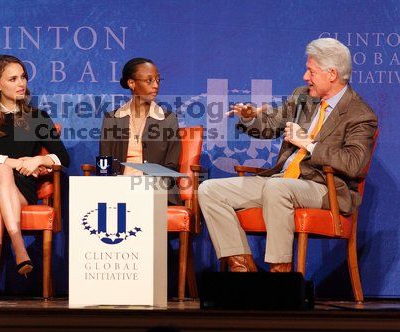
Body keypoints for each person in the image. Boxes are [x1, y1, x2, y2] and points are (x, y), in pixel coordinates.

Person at [198, 38, 378, 272]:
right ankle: (242, 268)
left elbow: (354, 164)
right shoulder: (304, 97)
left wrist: (309, 144)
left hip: (324, 188)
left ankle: (280, 273)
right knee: (209, 190)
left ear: (332, 74)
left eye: (311, 71)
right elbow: (270, 124)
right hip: (282, 182)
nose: (305, 77)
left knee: (277, 189)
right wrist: (249, 116)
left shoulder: (359, 114)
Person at [0, 54, 70, 275]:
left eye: (23, 77)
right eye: (13, 79)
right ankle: (19, 247)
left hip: (22, 190)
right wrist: (14, 162)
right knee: (1, 170)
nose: (21, 83)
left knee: (0, 179)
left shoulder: (37, 118)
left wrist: (38, 159)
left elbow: (63, 157)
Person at [99, 57, 181, 204]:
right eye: (149, 81)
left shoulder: (168, 119)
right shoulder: (112, 118)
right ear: (132, 83)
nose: (155, 85)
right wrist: (107, 190)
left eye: (158, 80)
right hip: (118, 188)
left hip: (155, 190)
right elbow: (105, 163)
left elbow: (171, 165)